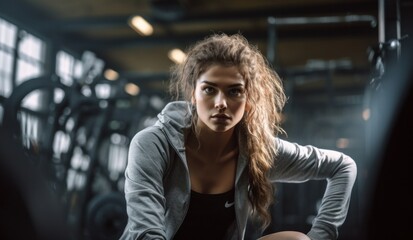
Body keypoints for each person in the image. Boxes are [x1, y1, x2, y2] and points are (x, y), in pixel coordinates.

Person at [119, 33, 357, 240]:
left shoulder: (258, 151)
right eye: (209, 89)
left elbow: (342, 166)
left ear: (248, 99)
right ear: (193, 94)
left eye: (234, 91)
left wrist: (321, 235)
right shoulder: (153, 144)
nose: (221, 103)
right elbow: (145, 233)